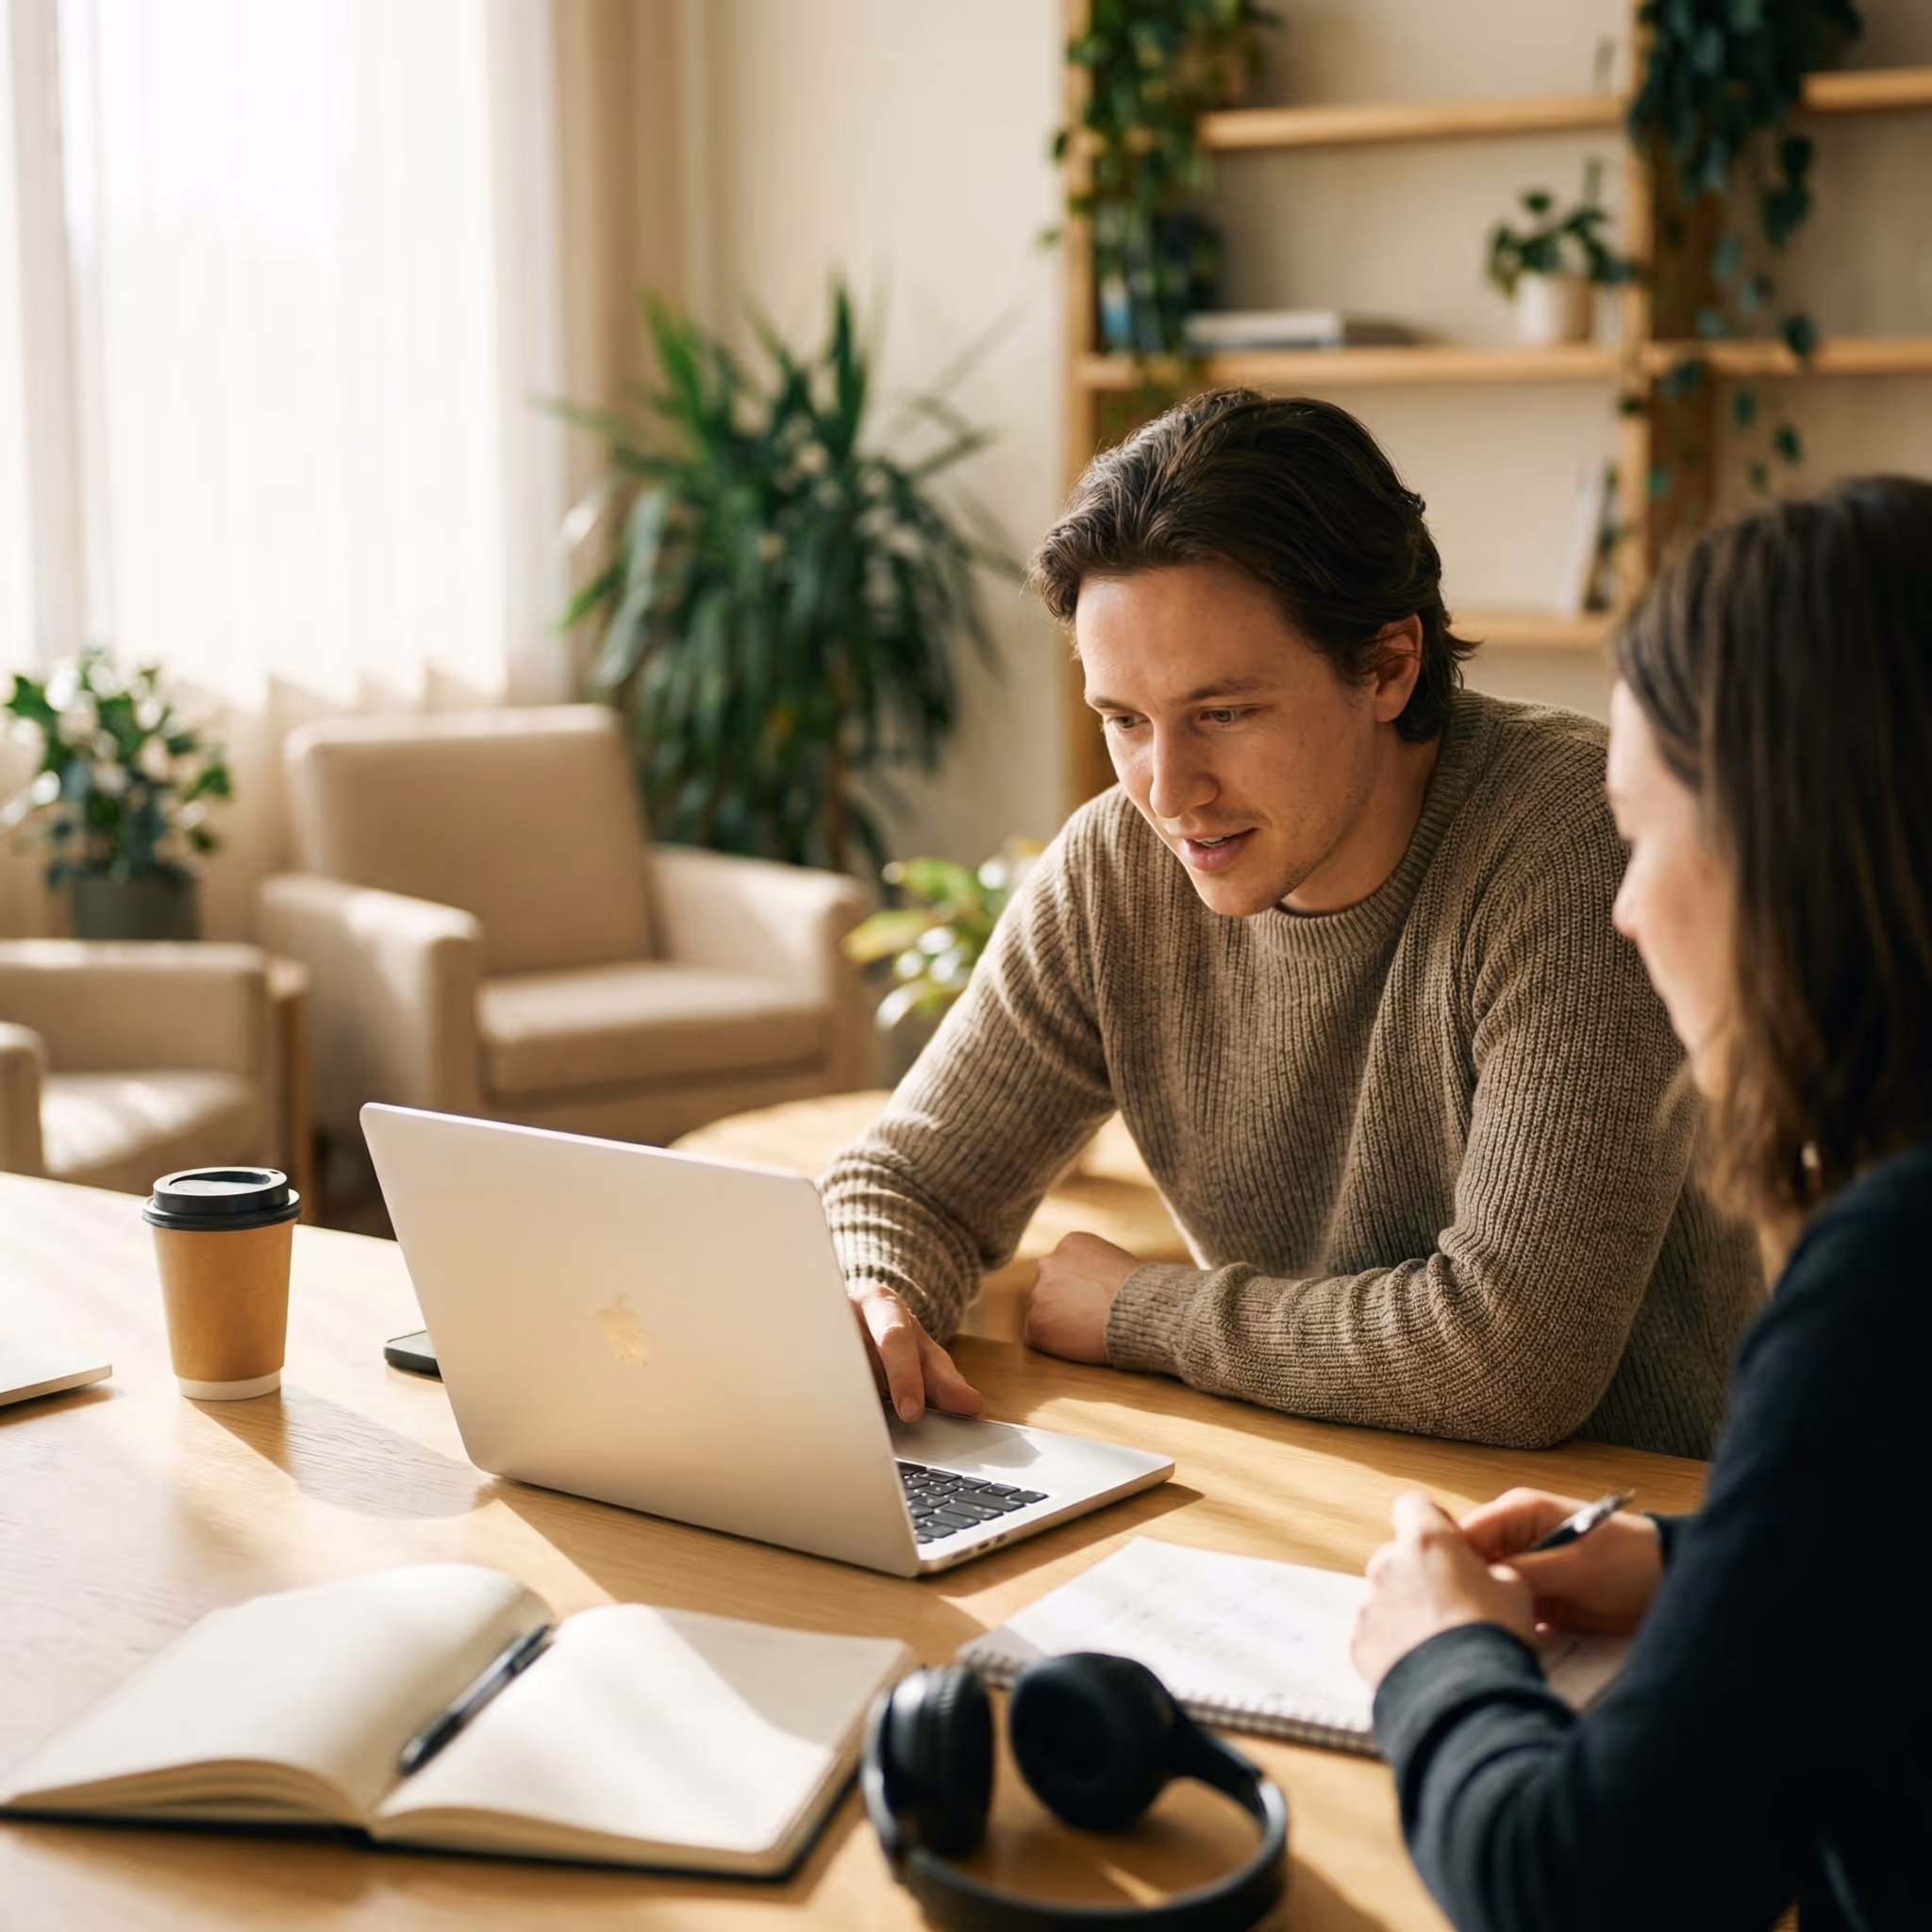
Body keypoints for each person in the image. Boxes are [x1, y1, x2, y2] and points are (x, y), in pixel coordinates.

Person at [822, 388, 1759, 1459]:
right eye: (1124, 720)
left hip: (1619, 1515)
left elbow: (1511, 1356)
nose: (1167, 791)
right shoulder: (1114, 868)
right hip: (1302, 1475)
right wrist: (874, 1292)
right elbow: (909, 1183)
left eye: (1222, 713)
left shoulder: (1568, 842)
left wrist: (1138, 1309)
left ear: (1388, 666)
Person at [1352, 475, 1932, 1929]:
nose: (1625, 907)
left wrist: (1436, 1654)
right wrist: (1704, 1570)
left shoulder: (1895, 1270)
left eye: (1638, 831)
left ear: (1783, 841)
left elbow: (1589, 1891)